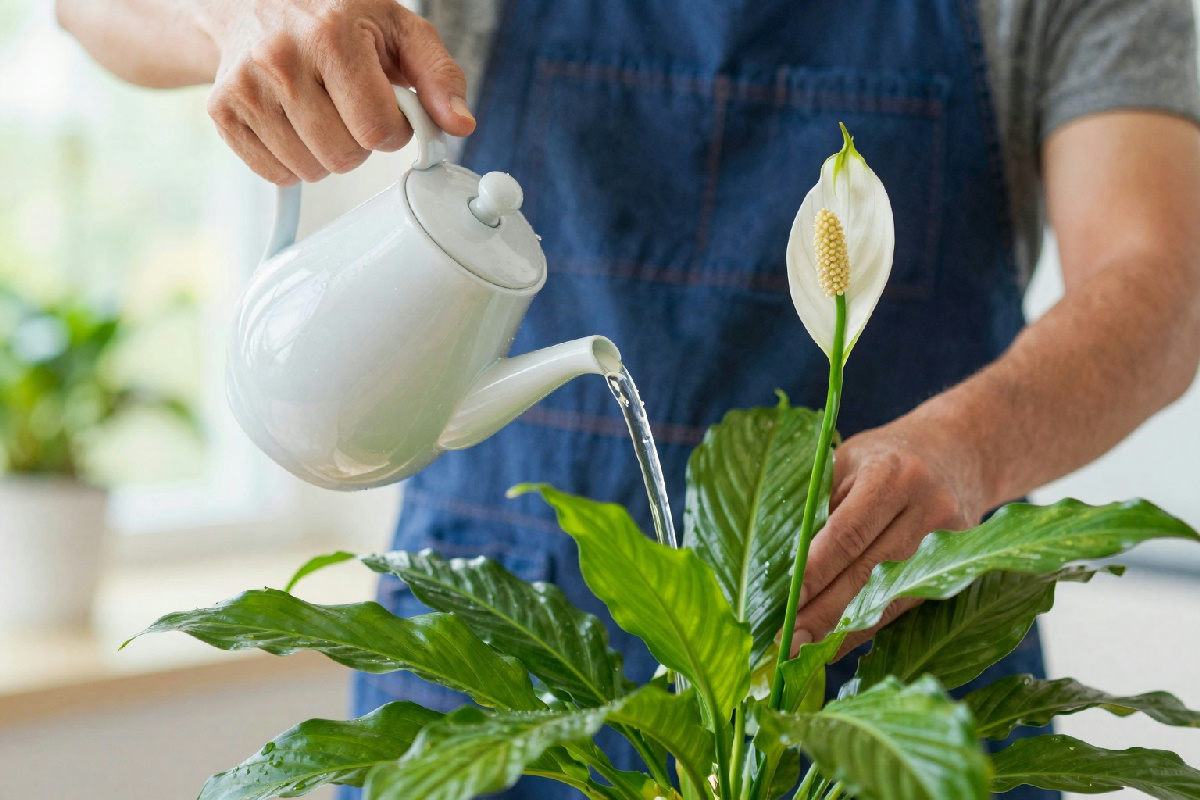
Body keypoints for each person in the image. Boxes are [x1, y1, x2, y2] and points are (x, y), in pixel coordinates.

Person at [58, 1, 1200, 798]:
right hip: (501, 667)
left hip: (891, 679)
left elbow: (1162, 283)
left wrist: (971, 442)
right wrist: (243, 15)